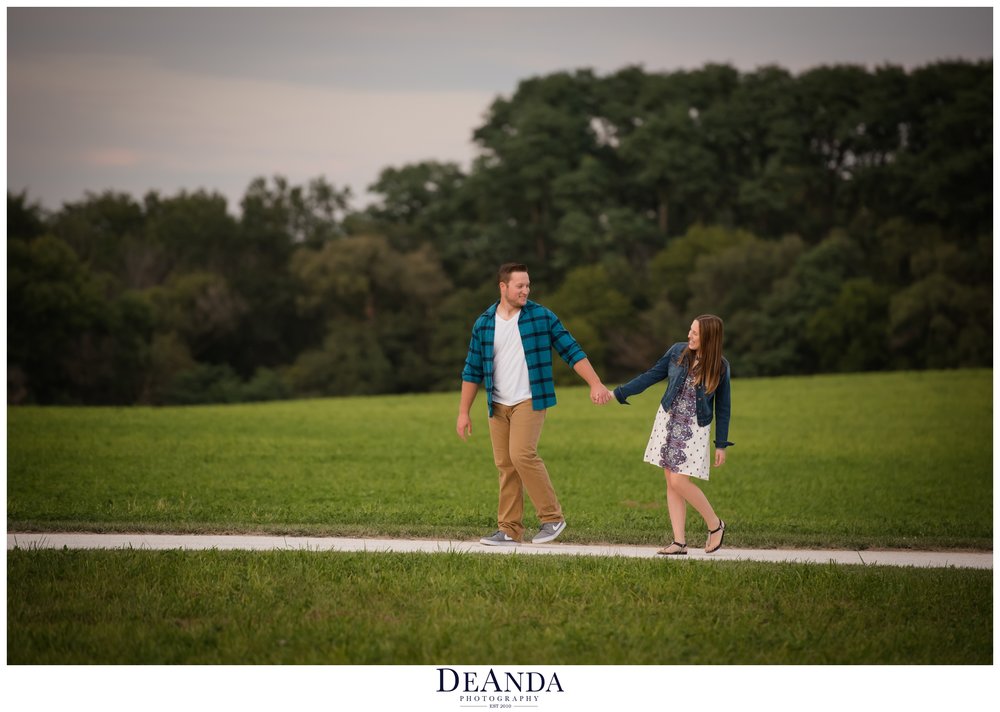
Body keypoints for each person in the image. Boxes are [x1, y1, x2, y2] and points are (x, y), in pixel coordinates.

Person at [457, 262, 612, 546]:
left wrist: (595, 383)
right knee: (505, 464)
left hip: (530, 400)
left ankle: (552, 518)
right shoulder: (485, 323)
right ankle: (509, 529)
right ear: (503, 287)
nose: (526, 290)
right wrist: (463, 412)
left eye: (528, 285)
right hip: (497, 404)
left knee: (522, 455)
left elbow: (571, 349)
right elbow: (472, 369)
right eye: (520, 286)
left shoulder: (541, 316)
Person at [608, 315, 733, 555]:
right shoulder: (678, 351)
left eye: (695, 333)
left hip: (694, 428)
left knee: (679, 481)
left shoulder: (720, 366)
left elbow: (724, 407)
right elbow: (651, 375)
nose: (689, 335)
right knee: (671, 483)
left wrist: (721, 444)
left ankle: (715, 525)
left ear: (709, 337)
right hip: (667, 420)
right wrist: (619, 393)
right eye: (690, 330)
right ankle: (679, 542)